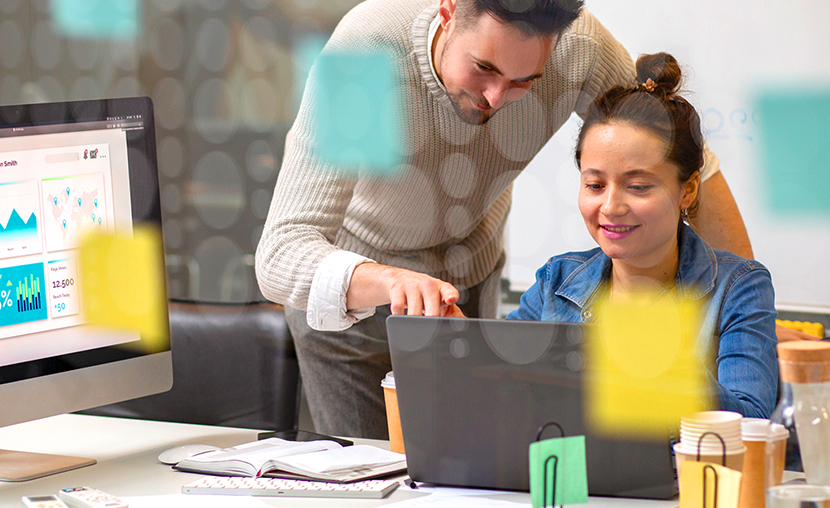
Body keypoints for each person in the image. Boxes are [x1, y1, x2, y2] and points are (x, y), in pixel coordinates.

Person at [255, 0, 755, 438]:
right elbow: (282, 252)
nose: (495, 97)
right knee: (371, 485)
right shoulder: (367, 56)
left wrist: (739, 309)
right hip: (354, 302)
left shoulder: (579, 49)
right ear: (448, 12)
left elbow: (684, 161)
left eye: (523, 82)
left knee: (473, 468)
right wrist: (390, 280)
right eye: (483, 68)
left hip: (469, 284)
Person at [506, 53, 778, 418]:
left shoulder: (738, 288)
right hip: (570, 472)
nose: (611, 206)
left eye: (637, 186)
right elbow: (498, 381)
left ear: (688, 189)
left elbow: (751, 422)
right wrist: (451, 335)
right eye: (595, 184)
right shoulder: (555, 281)